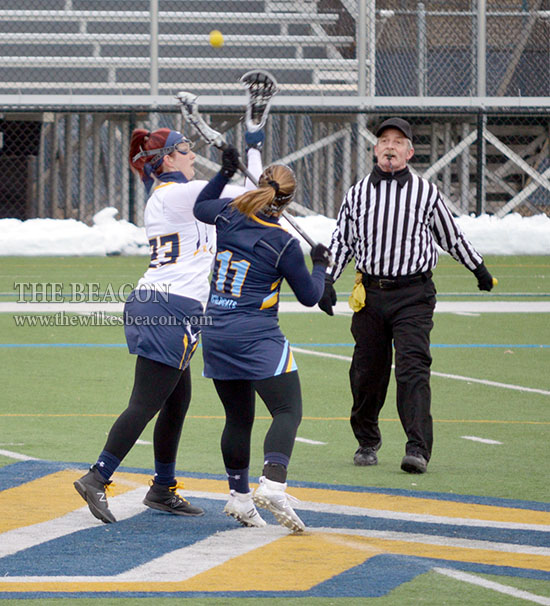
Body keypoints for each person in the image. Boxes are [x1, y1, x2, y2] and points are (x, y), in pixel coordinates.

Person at [73, 127, 263, 523]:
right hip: (169, 306)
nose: (193, 155)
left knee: (176, 400)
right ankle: (98, 476)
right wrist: (241, 156)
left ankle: (162, 488)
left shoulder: (174, 194)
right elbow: (252, 190)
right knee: (146, 402)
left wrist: (246, 152)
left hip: (163, 303)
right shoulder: (178, 193)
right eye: (185, 150)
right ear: (167, 160)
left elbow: (250, 196)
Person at [318, 117, 495, 474]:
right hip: (370, 294)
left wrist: (478, 269)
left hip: (413, 294)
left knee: (413, 369)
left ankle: (417, 447)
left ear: (409, 152)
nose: (390, 146)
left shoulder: (425, 192)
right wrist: (326, 281)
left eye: (398, 141)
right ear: (374, 150)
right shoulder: (357, 194)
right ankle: (367, 440)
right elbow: (342, 241)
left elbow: (451, 236)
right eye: (384, 140)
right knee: (367, 372)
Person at [194, 149, 331, 532]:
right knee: (288, 410)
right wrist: (320, 265)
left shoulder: (230, 212)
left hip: (216, 329)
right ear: (287, 200)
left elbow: (201, 205)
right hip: (255, 333)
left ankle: (239, 497)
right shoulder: (283, 242)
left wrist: (222, 173)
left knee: (238, 416)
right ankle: (273, 482)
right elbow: (309, 296)